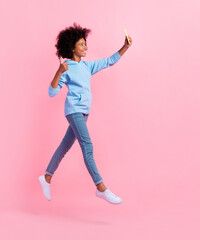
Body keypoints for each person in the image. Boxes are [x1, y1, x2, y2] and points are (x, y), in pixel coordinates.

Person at [39, 22, 132, 204]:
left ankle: (47, 177)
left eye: (85, 44)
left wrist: (125, 47)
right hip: (74, 111)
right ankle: (100, 187)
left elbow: (109, 61)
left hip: (83, 113)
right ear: (72, 47)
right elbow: (52, 92)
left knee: (65, 146)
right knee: (87, 147)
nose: (85, 47)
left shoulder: (87, 66)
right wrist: (59, 71)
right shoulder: (66, 67)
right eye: (81, 44)